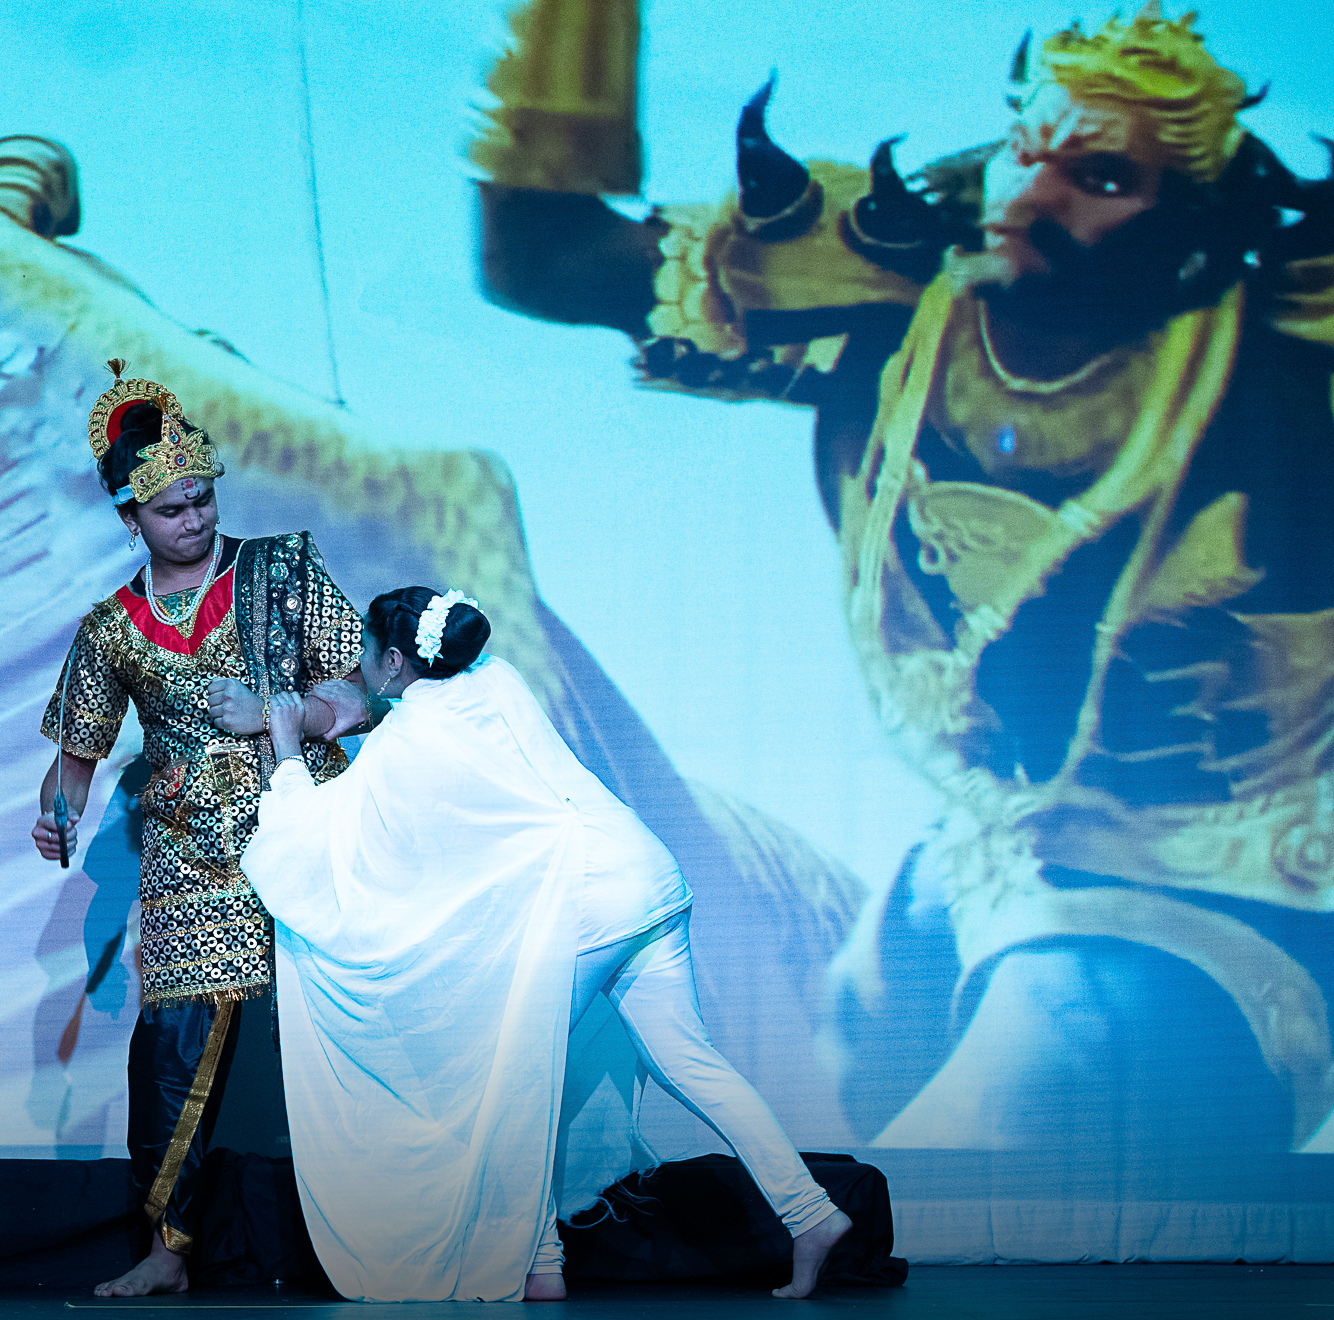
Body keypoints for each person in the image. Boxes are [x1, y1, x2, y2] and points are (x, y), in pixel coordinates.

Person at [472, 1, 1334, 1156]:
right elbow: (543, 255)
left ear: (1188, 226)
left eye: (1099, 179)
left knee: (943, 1182)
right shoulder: (895, 305)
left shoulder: (1281, 383)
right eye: (1027, 147)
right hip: (965, 860)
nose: (1031, 194)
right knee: (829, 1081)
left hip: (1225, 891)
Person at [241, 587, 851, 1302]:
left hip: (584, 902)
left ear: (397, 660)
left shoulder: (407, 742)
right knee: (687, 1062)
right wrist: (370, 707)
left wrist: (289, 748)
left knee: (506, 1073)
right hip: (645, 875)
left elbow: (320, 833)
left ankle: (539, 1260)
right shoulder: (496, 677)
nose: (360, 667)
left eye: (367, 655)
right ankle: (811, 1214)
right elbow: (431, 712)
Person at [32, 363, 373, 1296]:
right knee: (174, 1052)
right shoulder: (110, 628)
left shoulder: (280, 570)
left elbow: (363, 693)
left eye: (204, 499)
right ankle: (168, 1252)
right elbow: (75, 756)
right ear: (130, 517)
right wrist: (58, 812)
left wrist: (279, 713)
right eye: (172, 509)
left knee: (336, 1029)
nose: (195, 519)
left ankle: (377, 1233)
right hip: (189, 859)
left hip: (302, 827)